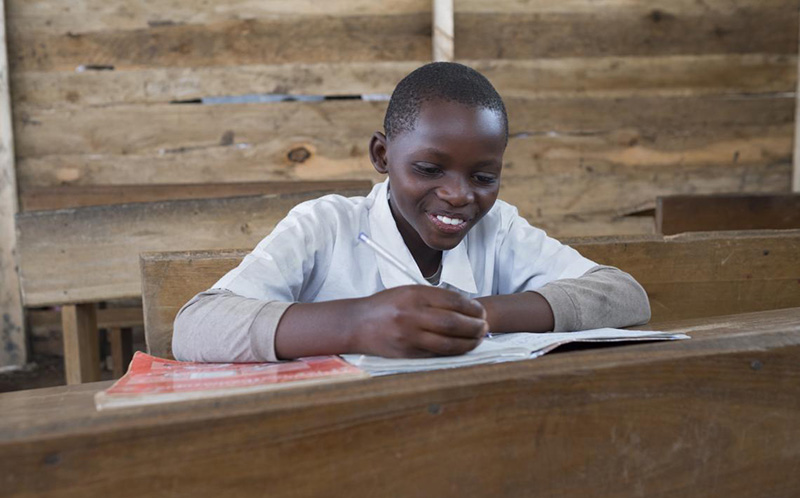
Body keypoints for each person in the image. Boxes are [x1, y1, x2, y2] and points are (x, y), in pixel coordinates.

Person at [172, 62, 650, 363]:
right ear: (382, 156)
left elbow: (623, 295)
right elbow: (196, 326)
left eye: (483, 177)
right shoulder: (326, 226)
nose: (459, 195)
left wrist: (475, 316)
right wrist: (357, 323)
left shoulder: (499, 228)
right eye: (428, 168)